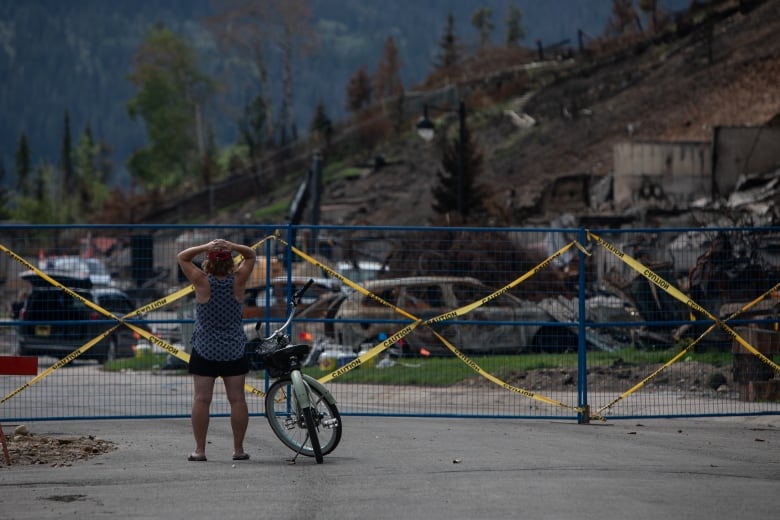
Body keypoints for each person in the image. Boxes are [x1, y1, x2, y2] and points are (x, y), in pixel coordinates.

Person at [177, 238, 256, 462]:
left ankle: (200, 450)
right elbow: (251, 255)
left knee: (202, 399)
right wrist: (232, 245)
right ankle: (238, 450)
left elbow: (182, 257)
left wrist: (204, 247)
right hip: (234, 349)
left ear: (208, 263)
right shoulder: (238, 280)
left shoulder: (202, 281)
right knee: (237, 400)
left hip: (205, 349)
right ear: (230, 263)